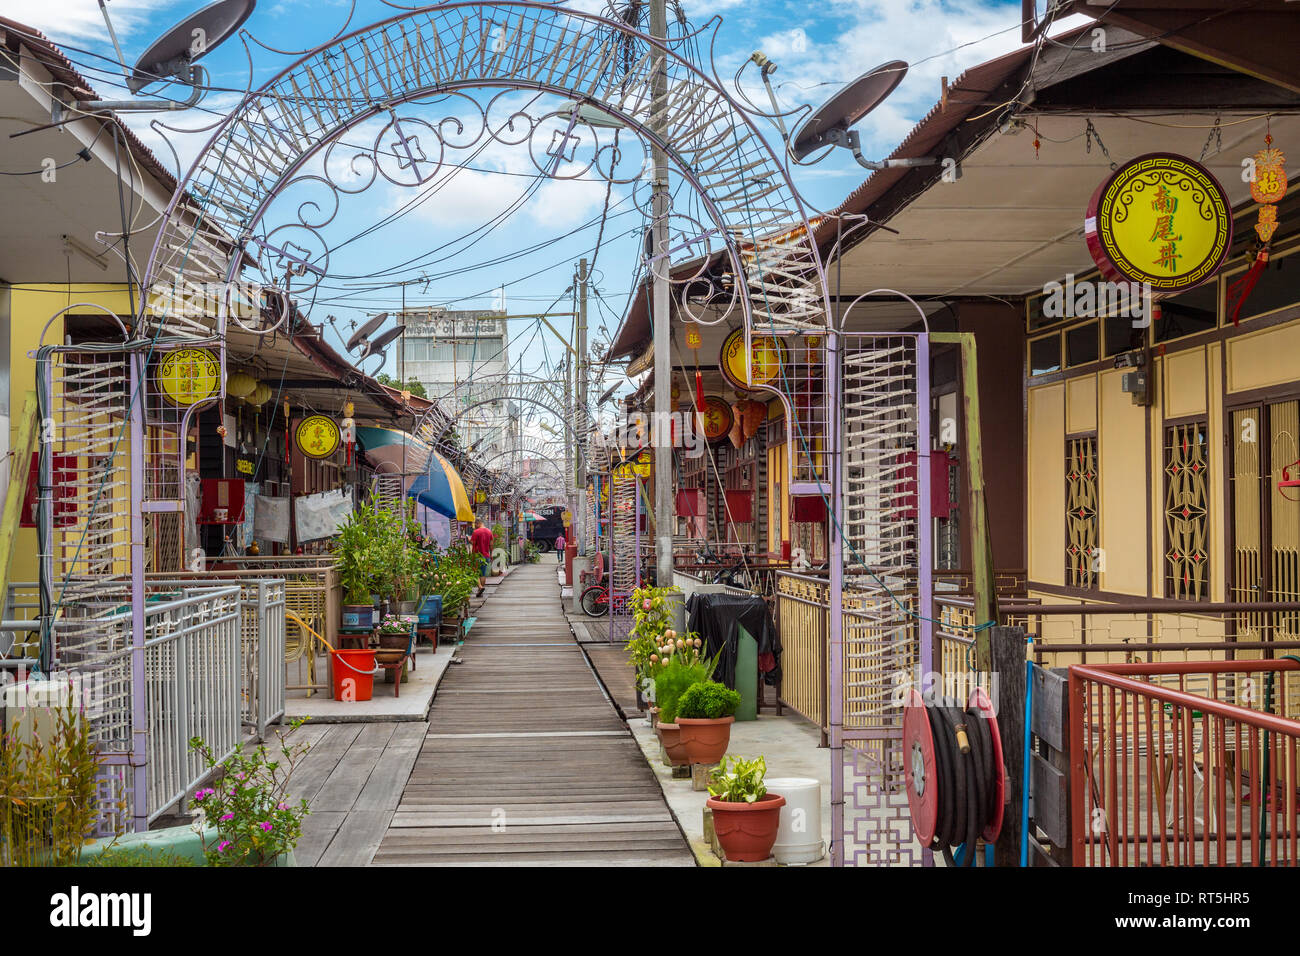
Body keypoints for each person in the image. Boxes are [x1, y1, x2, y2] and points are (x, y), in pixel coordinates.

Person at [469, 518, 493, 597]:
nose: (474, 526)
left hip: (477, 555)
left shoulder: (476, 532)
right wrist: (491, 554)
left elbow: (473, 543)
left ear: (477, 524)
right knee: (482, 574)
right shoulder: (489, 531)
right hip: (486, 555)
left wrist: (469, 540)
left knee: (475, 572)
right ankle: (480, 590)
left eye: (475, 525)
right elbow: (491, 544)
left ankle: (480, 587)